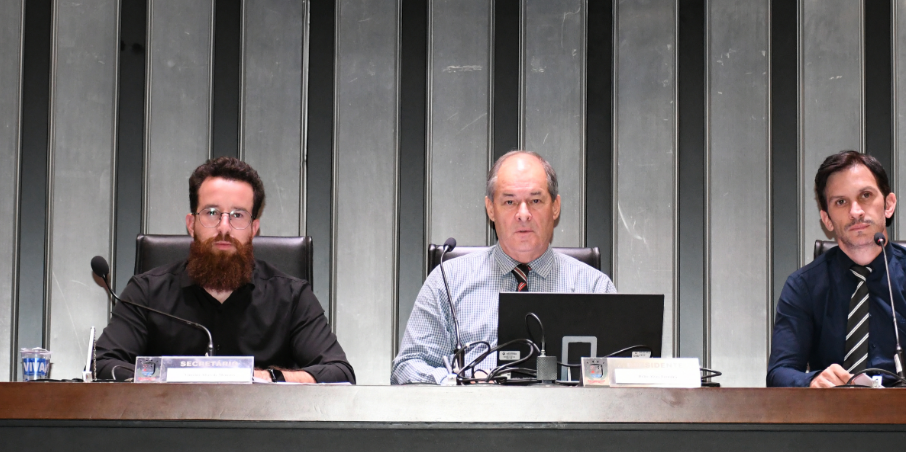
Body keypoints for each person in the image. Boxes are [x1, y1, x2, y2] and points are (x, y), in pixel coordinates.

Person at [96, 157, 354, 383]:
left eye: (238, 215)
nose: (224, 227)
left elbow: (339, 373)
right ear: (191, 224)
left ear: (254, 229)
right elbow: (102, 365)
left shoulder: (292, 297)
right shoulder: (146, 293)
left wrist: (264, 377)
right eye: (211, 213)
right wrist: (173, 378)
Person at [392, 150, 616, 385]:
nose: (523, 214)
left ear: (555, 207)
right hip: (476, 408)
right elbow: (407, 367)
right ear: (490, 209)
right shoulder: (448, 280)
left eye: (535, 201)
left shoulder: (594, 287)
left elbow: (622, 372)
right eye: (509, 202)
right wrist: (458, 382)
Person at [766, 150, 906, 387]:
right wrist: (812, 381)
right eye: (841, 202)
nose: (856, 212)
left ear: (888, 205)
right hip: (835, 409)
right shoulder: (803, 287)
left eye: (865, 195)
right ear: (827, 219)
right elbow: (779, 373)